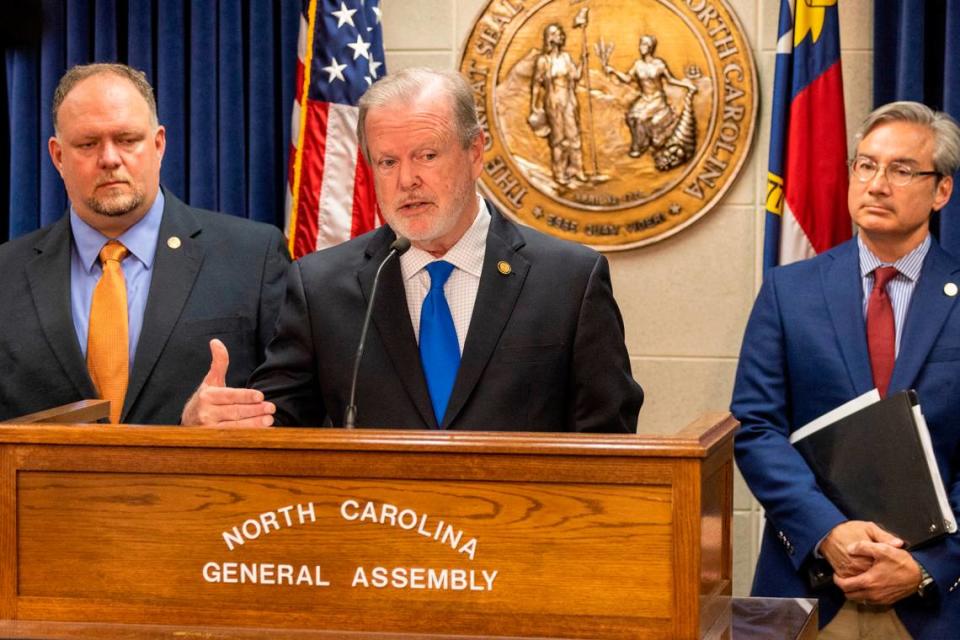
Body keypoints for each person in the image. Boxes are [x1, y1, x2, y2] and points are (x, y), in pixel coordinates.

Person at [182, 67, 643, 433]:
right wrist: (218, 420)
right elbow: (280, 427)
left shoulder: (569, 281)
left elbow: (608, 445)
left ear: (475, 152)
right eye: (387, 161)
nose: (407, 181)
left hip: (524, 543)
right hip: (375, 542)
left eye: (426, 155)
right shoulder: (320, 286)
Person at [732, 101, 960, 639]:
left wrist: (932, 566)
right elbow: (757, 429)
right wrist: (826, 530)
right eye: (866, 165)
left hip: (937, 602)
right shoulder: (789, 291)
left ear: (941, 190)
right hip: (806, 587)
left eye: (902, 170)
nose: (878, 184)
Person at [0, 63, 289, 425]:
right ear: (58, 157)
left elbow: (293, 410)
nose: (109, 159)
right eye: (88, 144)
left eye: (127, 140)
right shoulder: (6, 274)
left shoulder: (253, 256)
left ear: (158, 144)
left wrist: (206, 433)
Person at [603, 35, 697, 169]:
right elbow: (628, 79)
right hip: (644, 98)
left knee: (640, 117)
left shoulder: (659, 64)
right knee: (631, 117)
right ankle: (639, 143)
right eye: (640, 44)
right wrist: (613, 70)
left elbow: (670, 80)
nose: (641, 47)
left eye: (644, 45)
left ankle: (640, 146)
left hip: (657, 98)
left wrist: (687, 85)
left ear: (650, 47)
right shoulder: (638, 65)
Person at [529, 23, 587, 185]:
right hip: (553, 101)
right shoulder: (543, 61)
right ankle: (559, 172)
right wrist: (534, 105)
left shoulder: (566, 58)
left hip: (569, 100)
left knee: (574, 135)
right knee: (558, 138)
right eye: (557, 33)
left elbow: (575, 76)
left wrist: (583, 61)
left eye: (561, 32)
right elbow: (535, 84)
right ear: (550, 38)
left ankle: (576, 169)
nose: (561, 35)